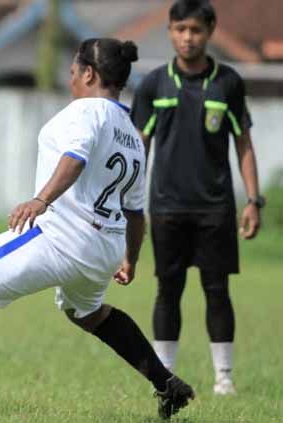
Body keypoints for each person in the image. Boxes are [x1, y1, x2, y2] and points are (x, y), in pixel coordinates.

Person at [0, 39, 194, 420]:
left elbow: (75, 157)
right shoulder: (132, 134)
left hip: (61, 235)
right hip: (104, 245)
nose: (70, 79)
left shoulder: (85, 112)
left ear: (89, 73)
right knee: (88, 313)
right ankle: (167, 384)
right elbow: (136, 212)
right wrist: (129, 259)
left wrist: (41, 200)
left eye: (72, 71)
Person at [130, 0, 262, 396]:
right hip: (166, 207)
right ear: (170, 31)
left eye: (196, 30)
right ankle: (164, 377)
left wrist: (254, 200)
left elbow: (243, 143)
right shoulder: (154, 84)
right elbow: (140, 147)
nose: (188, 37)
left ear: (209, 32)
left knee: (217, 291)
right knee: (167, 291)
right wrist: (131, 204)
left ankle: (224, 377)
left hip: (215, 208)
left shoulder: (229, 83)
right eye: (180, 29)